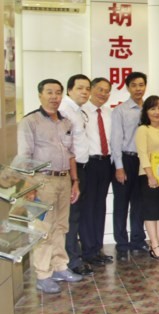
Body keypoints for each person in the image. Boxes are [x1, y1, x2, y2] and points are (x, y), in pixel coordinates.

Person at [18, 78, 82, 293]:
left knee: (60, 226)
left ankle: (60, 266)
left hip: (64, 180)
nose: (54, 97)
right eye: (49, 92)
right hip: (41, 181)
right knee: (42, 228)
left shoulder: (65, 122)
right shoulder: (30, 121)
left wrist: (75, 182)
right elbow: (24, 156)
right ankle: (43, 274)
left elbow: (70, 154)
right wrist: (29, 186)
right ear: (40, 95)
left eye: (58, 93)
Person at [58, 74, 98, 275]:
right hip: (71, 170)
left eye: (87, 88)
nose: (85, 92)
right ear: (69, 90)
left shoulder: (77, 111)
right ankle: (71, 262)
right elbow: (66, 148)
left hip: (82, 167)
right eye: (80, 88)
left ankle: (75, 257)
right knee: (71, 217)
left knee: (77, 215)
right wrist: (75, 177)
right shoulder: (65, 111)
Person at [110, 72, 149, 261]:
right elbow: (116, 141)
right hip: (125, 160)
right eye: (134, 85)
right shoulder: (121, 111)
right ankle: (121, 242)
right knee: (121, 204)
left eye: (141, 85)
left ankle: (138, 239)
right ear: (127, 88)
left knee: (140, 203)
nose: (138, 89)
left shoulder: (150, 109)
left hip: (143, 162)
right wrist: (119, 167)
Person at [80, 77, 115, 271]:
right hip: (88, 164)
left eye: (107, 90)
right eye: (99, 89)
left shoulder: (110, 113)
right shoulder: (81, 112)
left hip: (106, 163)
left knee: (100, 206)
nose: (103, 94)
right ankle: (88, 251)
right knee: (88, 208)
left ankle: (97, 248)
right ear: (91, 90)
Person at [135, 95, 159, 262]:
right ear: (146, 112)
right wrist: (150, 175)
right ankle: (155, 245)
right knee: (151, 211)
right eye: (152, 108)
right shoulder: (143, 129)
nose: (157, 112)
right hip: (148, 176)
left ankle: (155, 244)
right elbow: (142, 154)